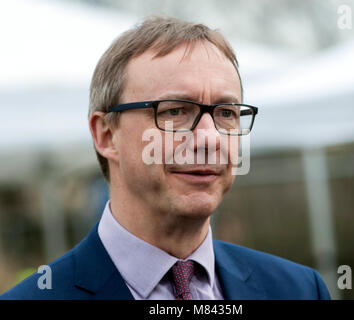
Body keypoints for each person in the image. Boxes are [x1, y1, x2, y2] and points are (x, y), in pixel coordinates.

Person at [0, 16, 330, 300]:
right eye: (174, 111)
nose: (210, 138)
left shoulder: (299, 289)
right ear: (106, 135)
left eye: (226, 113)